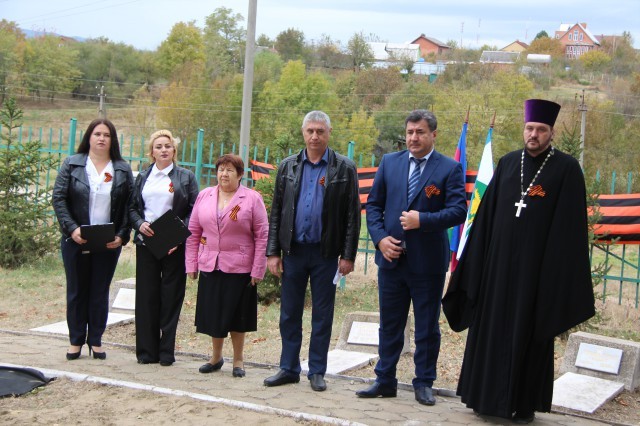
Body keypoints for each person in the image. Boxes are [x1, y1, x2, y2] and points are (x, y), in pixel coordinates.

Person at [442, 99, 595, 423]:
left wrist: (553, 278)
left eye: (541, 130)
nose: (534, 134)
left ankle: (522, 404)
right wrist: (475, 270)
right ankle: (483, 398)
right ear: (524, 130)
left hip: (536, 275)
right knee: (491, 330)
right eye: (530, 128)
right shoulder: (509, 163)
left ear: (551, 132)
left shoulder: (566, 169)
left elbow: (569, 230)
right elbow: (484, 222)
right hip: (497, 272)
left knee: (528, 333)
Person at [355, 109, 467, 405]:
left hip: (427, 264)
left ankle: (423, 382)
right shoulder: (390, 163)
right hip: (391, 261)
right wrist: (380, 240)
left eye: (419, 132)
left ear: (433, 134)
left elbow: (459, 211)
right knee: (389, 323)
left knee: (427, 325)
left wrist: (424, 220)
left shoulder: (448, 168)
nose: (413, 138)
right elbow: (374, 206)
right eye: (409, 133)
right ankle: (385, 379)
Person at [263, 110, 360, 392]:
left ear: (329, 133)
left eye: (320, 131)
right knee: (289, 313)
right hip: (293, 252)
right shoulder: (288, 166)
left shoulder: (345, 168)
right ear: (303, 133)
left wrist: (348, 255)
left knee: (322, 314)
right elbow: (277, 211)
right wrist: (273, 251)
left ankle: (317, 370)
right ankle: (288, 367)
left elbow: (353, 215)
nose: (315, 136)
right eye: (310, 131)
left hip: (325, 254)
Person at [52, 118, 134, 361]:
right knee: (77, 291)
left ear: (112, 140)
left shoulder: (121, 168)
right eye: (97, 133)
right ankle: (76, 340)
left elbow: (130, 205)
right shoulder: (73, 164)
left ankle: (96, 340)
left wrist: (121, 235)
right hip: (76, 238)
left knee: (99, 290)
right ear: (88, 137)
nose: (101, 138)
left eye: (106, 135)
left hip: (107, 242)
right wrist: (72, 229)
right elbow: (59, 198)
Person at [185, 154, 268, 378]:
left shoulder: (251, 199)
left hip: (240, 266)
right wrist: (191, 263)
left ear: (240, 175)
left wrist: (258, 268)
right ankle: (215, 357)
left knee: (237, 315)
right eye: (221, 169)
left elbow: (262, 235)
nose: (224, 174)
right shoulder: (205, 196)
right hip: (211, 264)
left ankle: (238, 360)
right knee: (213, 313)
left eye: (230, 170)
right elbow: (193, 233)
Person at [129, 129, 199, 366]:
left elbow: (193, 210)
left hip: (174, 245)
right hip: (147, 243)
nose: (163, 150)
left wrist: (176, 237)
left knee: (171, 297)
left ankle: (166, 350)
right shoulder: (142, 177)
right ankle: (146, 351)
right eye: (158, 146)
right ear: (152, 152)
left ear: (174, 150)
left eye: (167, 146)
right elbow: (131, 209)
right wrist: (140, 224)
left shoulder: (186, 177)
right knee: (147, 297)